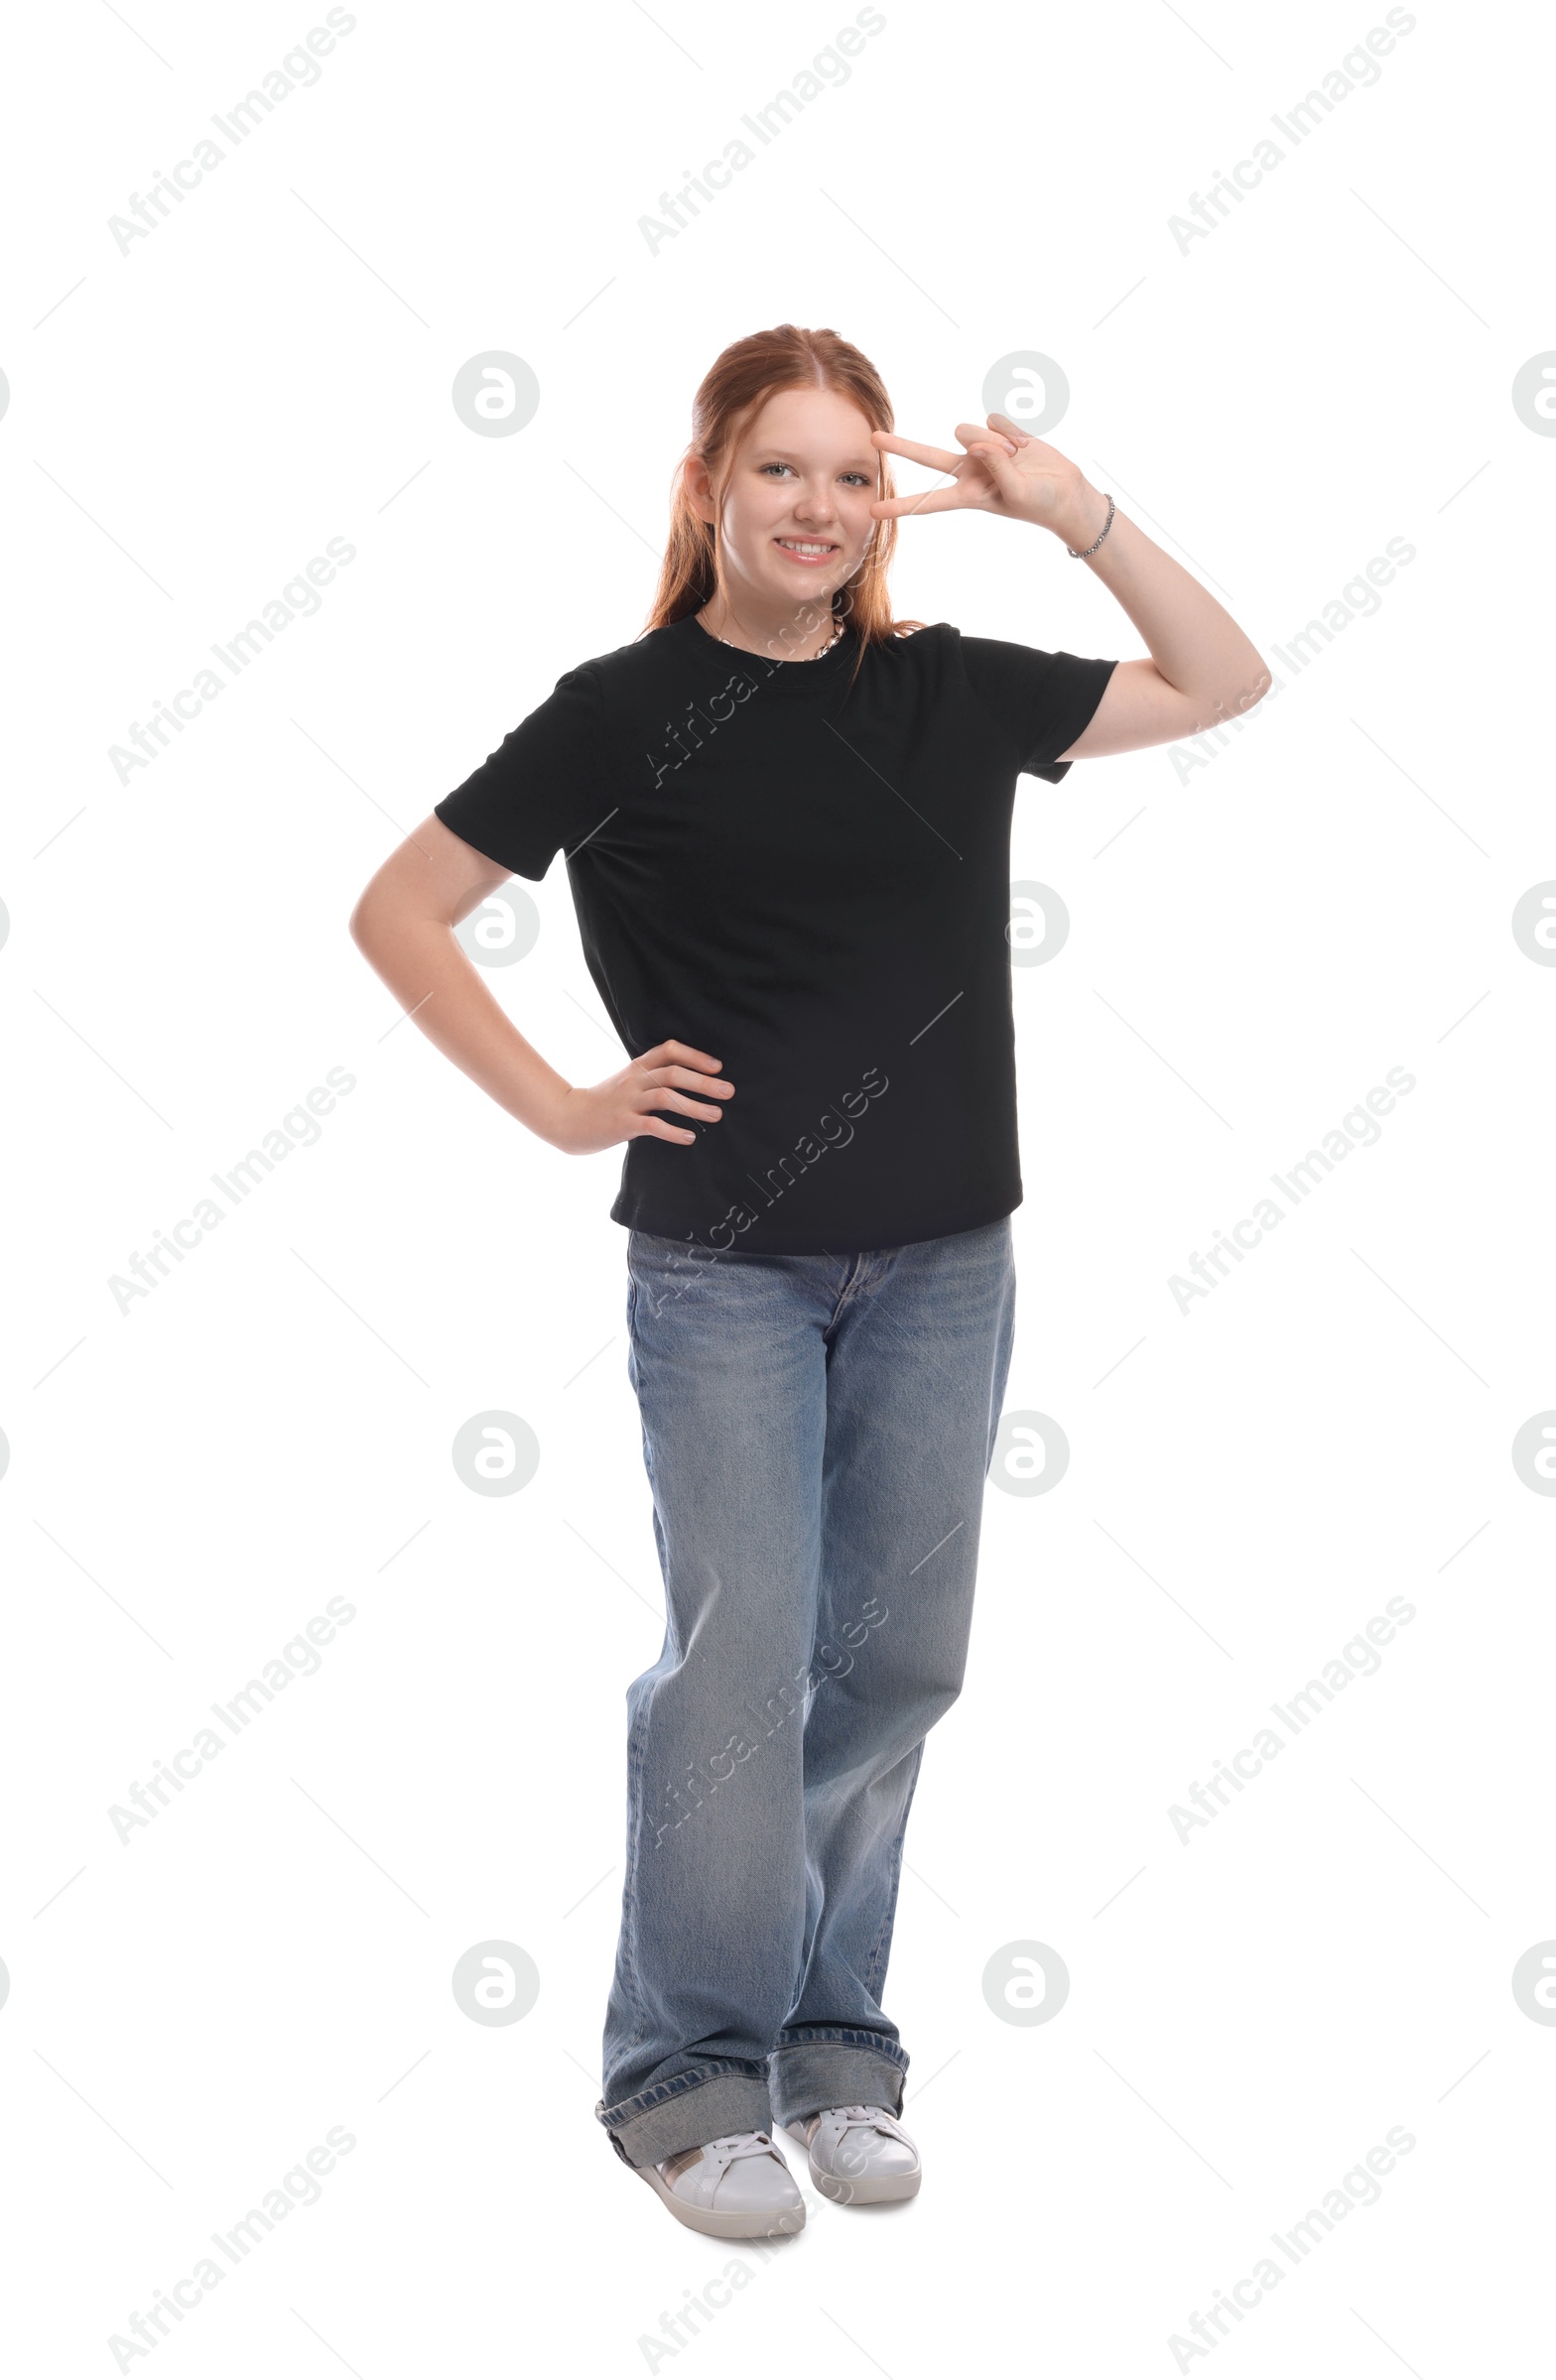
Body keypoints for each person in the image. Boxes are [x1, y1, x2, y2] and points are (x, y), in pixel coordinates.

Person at [348, 324, 1269, 2239]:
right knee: (739, 1671)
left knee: (897, 1666)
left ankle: (838, 2053)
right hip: (727, 1274)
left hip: (950, 1258)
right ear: (709, 487)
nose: (825, 509)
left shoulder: (942, 692)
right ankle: (686, 2079)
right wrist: (563, 1107)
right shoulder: (623, 709)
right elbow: (402, 908)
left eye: (856, 475)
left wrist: (1070, 509)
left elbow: (1223, 675)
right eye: (784, 469)